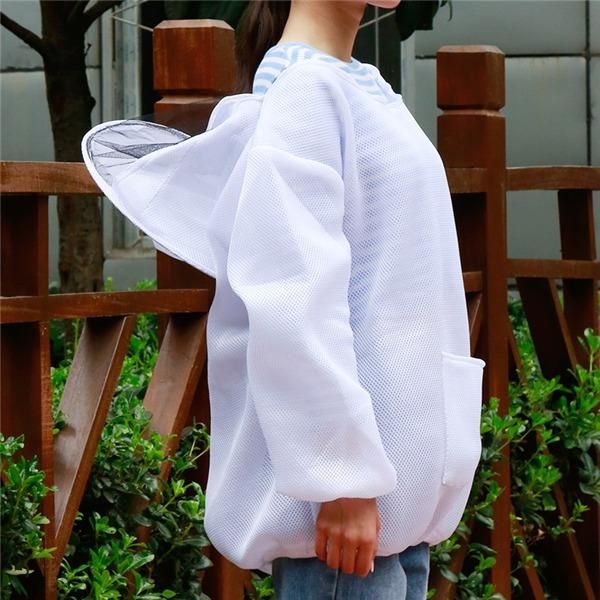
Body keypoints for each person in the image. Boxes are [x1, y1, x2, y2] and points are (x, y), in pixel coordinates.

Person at [81, 1, 486, 598]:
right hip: (345, 526)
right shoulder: (304, 92)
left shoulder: (357, 85)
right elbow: (293, 299)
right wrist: (341, 479)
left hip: (393, 512)